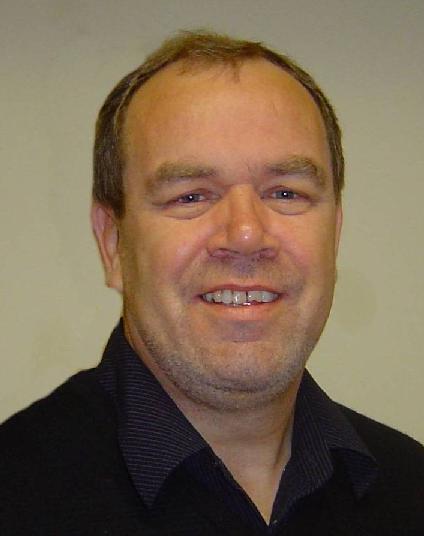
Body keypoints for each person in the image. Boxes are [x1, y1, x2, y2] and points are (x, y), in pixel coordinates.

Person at [1, 30, 423, 535]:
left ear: (333, 233)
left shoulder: (411, 491)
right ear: (113, 244)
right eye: (191, 196)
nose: (245, 234)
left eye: (285, 192)